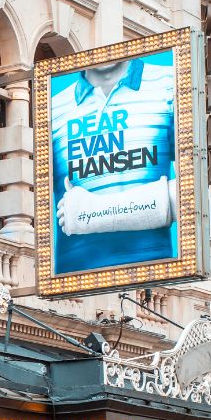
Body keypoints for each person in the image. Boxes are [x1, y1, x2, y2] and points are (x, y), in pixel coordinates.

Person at [49, 50, 178, 276]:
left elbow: (194, 194)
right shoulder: (51, 107)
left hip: (154, 270)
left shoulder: (171, 82)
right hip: (73, 275)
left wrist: (87, 212)